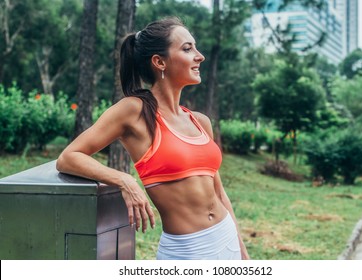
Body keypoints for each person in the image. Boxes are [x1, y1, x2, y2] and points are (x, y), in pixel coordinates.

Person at [56, 17, 249, 260]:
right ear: (159, 62)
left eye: (196, 48)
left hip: (226, 237)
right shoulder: (133, 111)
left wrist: (244, 256)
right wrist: (124, 180)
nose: (199, 56)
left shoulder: (200, 121)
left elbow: (220, 195)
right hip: (185, 252)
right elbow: (68, 157)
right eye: (188, 49)